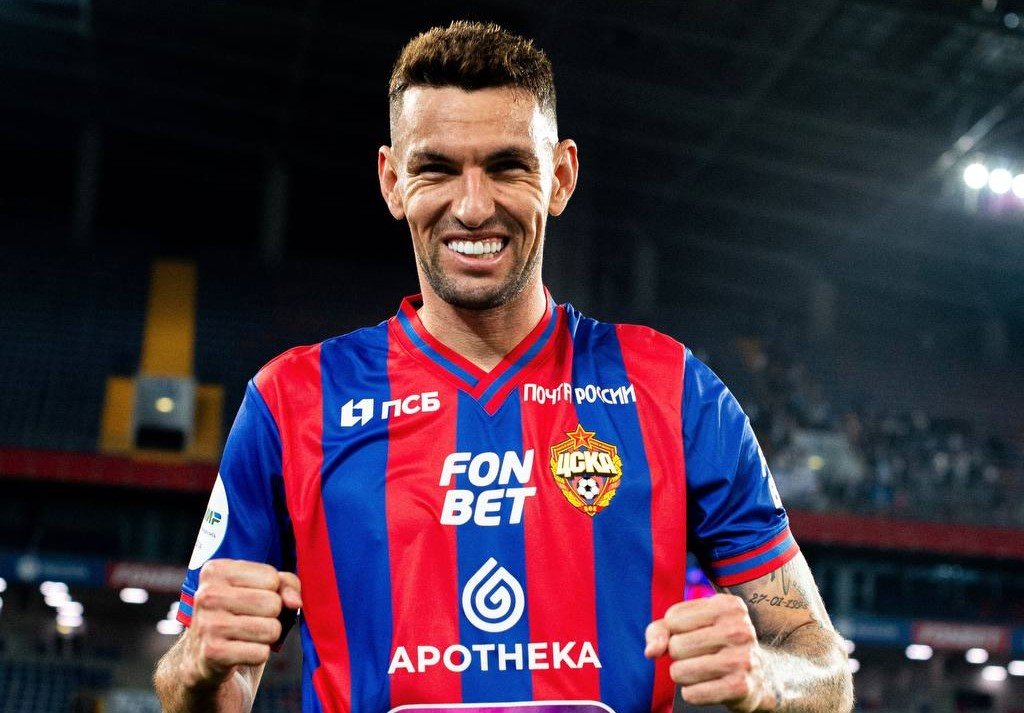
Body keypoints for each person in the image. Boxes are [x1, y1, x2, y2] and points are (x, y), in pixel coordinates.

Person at [154, 20, 854, 713]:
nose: (472, 206)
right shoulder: (292, 400)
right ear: (392, 182)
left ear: (561, 177)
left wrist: (765, 677)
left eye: (507, 166)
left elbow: (823, 669)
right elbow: (209, 689)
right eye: (435, 169)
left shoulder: (673, 390)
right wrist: (196, 666)